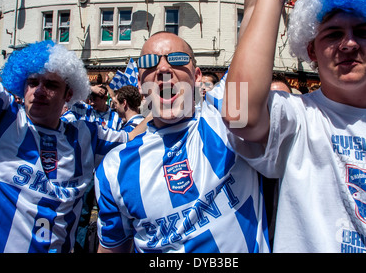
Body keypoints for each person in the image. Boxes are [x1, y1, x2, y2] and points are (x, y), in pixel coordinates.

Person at [224, 0, 366, 252]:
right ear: (312, 51)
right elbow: (237, 111)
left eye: (363, 32)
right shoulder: (297, 117)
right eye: (333, 34)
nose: (349, 43)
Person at [0, 0, 143, 253]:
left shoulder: (86, 135)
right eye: (32, 82)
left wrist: (166, 99)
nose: (38, 91)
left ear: (68, 95)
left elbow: (137, 136)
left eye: (51, 85)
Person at [94, 31, 271, 253]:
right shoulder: (114, 168)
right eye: (149, 63)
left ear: (197, 77)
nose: (163, 69)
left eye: (177, 59)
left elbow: (253, 36)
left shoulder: (226, 118)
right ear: (139, 84)